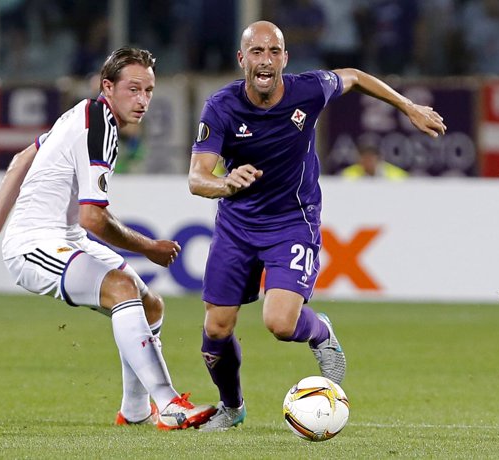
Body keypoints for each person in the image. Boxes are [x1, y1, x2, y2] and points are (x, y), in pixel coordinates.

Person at [188, 20, 446, 431]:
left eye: (274, 52)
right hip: (237, 225)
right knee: (216, 328)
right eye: (257, 52)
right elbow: (196, 178)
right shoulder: (221, 107)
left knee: (279, 322)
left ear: (285, 59)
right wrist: (223, 183)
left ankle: (320, 329)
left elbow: (356, 77)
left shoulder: (309, 89)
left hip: (292, 220)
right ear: (242, 60)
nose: (266, 60)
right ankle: (231, 407)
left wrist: (409, 107)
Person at [0, 47, 216, 430]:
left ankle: (135, 410)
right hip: (34, 243)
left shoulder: (81, 112)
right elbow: (94, 218)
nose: (143, 101)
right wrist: (149, 248)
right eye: (134, 89)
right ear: (108, 86)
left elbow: (21, 159)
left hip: (65, 237)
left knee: (150, 304)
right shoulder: (99, 123)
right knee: (122, 286)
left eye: (149, 91)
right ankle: (169, 403)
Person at [340, 144, 408, 180]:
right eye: (364, 159)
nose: (367, 162)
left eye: (370, 159)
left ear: (379, 159)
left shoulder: (396, 175)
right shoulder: (350, 174)